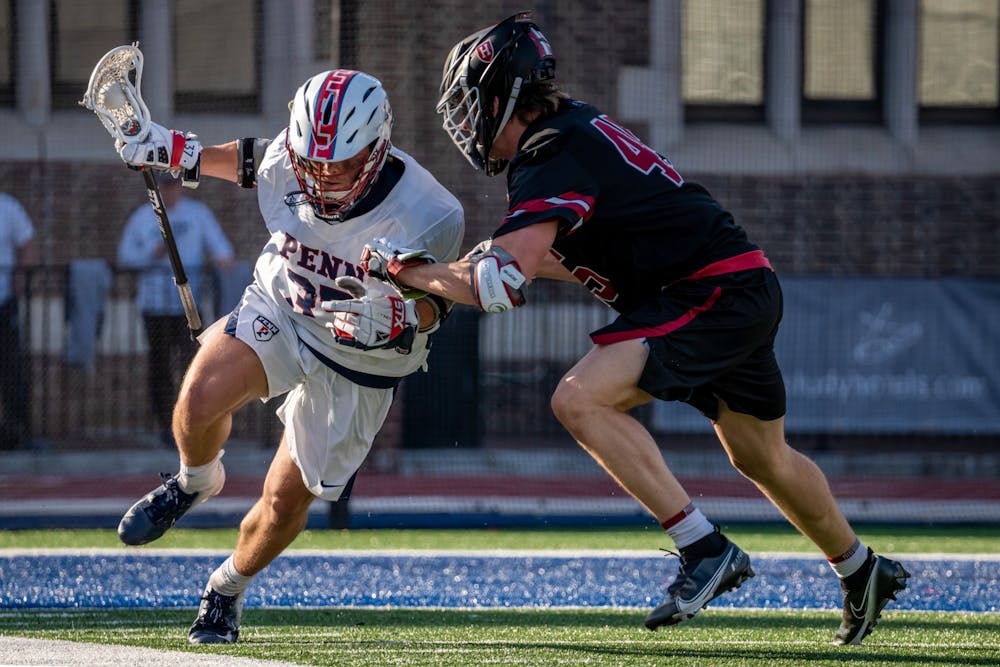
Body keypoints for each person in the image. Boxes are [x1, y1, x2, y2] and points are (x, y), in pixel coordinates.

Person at [360, 13, 909, 646]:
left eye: (467, 102)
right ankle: (862, 568)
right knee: (760, 455)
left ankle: (703, 548)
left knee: (579, 398)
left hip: (712, 291)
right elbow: (548, 263)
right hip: (735, 285)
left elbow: (500, 286)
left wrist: (408, 269)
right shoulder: (571, 132)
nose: (462, 121)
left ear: (500, 95)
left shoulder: (548, 150)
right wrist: (458, 271)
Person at [111, 69, 464, 644]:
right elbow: (252, 161)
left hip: (361, 357)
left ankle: (225, 588)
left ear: (378, 148)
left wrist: (404, 317)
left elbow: (441, 303)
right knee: (198, 397)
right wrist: (170, 148)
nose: (323, 179)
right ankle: (196, 479)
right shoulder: (293, 156)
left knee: (281, 502)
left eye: (342, 164)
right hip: (285, 304)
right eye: (312, 164)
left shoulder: (431, 211)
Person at [117, 171, 236, 448]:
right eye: (165, 186)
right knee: (159, 366)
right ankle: (164, 424)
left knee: (193, 364)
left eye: (174, 185)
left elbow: (222, 249)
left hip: (189, 306)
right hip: (155, 305)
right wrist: (151, 255)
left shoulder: (198, 214)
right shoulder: (142, 217)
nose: (171, 191)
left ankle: (194, 422)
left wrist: (222, 260)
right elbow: (125, 257)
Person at [0, 192, 37, 450]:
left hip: (3, 303)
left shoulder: (8, 206)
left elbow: (28, 243)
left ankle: (18, 431)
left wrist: (21, 276)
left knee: (11, 368)